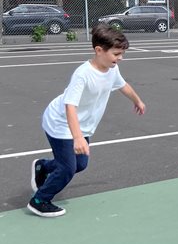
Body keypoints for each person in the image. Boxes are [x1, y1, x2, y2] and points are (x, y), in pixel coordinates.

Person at [28, 24, 146, 217]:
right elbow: (70, 106)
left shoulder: (111, 69)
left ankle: (43, 166)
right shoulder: (82, 74)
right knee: (68, 168)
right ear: (99, 50)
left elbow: (122, 85)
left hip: (81, 126)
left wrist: (137, 100)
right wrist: (77, 138)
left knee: (80, 164)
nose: (120, 58)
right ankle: (40, 200)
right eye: (116, 54)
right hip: (60, 123)